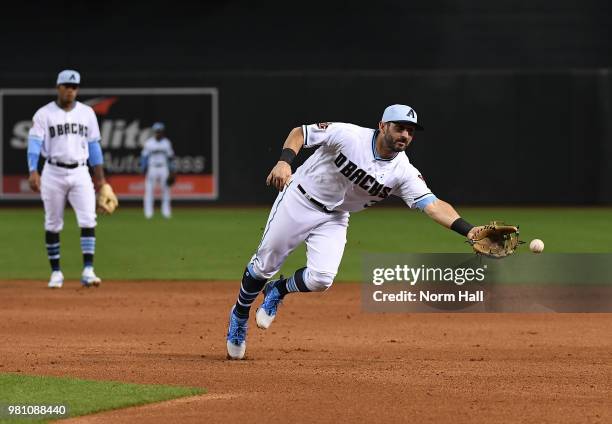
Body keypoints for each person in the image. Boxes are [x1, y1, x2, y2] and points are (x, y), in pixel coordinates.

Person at [226, 104, 485, 360]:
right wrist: (284, 162)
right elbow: (300, 133)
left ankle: (278, 290)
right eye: (399, 128)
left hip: (335, 217)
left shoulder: (403, 172)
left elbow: (434, 206)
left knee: (321, 279)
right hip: (299, 199)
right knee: (262, 268)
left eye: (410, 131)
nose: (405, 135)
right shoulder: (349, 135)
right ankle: (239, 315)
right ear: (382, 126)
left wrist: (470, 230)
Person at [26, 69, 117, 288]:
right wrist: (32, 170)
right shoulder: (44, 114)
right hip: (53, 172)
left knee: (88, 220)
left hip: (80, 172)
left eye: (74, 87)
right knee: (53, 222)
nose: (70, 90)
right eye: (67, 86)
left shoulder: (87, 113)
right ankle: (56, 272)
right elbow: (34, 144)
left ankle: (88, 270)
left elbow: (94, 147)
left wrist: (102, 181)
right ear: (58, 87)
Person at [140, 122, 175, 219]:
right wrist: (143, 168)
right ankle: (148, 213)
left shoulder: (166, 143)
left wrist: (172, 170)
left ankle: (166, 212)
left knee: (166, 190)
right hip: (152, 168)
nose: (158, 133)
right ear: (154, 132)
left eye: (160, 131)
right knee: (149, 190)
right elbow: (144, 157)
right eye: (156, 131)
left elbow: (170, 157)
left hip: (163, 168)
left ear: (162, 132)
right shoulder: (149, 143)